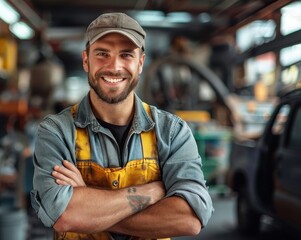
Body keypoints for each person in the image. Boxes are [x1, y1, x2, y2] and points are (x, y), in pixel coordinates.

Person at [30, 12, 213, 240]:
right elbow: (64, 215)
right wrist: (154, 190)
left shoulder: (172, 132)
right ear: (86, 60)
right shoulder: (57, 132)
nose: (114, 66)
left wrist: (88, 202)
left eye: (126, 55)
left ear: (141, 63)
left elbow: (190, 218)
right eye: (102, 54)